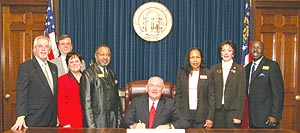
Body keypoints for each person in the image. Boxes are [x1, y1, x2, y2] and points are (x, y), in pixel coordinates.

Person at [11, 35, 58, 130]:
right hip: (35, 118)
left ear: (49, 50)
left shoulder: (54, 67)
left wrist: (56, 115)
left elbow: (52, 94)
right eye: (40, 46)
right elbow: (21, 93)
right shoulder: (26, 67)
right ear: (34, 50)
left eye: (46, 46)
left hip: (52, 118)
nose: (43, 49)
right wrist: (21, 116)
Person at [120, 76, 189, 129]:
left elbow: (184, 122)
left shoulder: (170, 103)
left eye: (158, 86)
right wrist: (134, 125)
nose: (154, 89)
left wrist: (168, 126)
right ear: (147, 88)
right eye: (151, 86)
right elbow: (125, 121)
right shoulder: (137, 101)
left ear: (163, 90)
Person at [80, 44, 122, 128]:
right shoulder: (88, 74)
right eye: (102, 54)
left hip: (112, 122)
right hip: (97, 122)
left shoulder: (111, 73)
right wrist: (91, 127)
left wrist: (119, 121)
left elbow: (117, 101)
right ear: (96, 56)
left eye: (108, 55)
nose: (105, 57)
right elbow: (86, 104)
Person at [246, 40, 284, 128]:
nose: (255, 50)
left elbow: (278, 93)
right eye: (253, 48)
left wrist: (275, 115)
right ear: (250, 50)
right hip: (252, 117)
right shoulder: (247, 68)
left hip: (267, 117)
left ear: (263, 51)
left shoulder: (272, 66)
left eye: (258, 48)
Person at [174, 48, 215, 128]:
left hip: (202, 115)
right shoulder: (181, 73)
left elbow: (211, 97)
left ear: (201, 59)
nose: (195, 60)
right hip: (184, 115)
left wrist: (210, 117)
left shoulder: (208, 73)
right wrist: (177, 114)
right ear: (188, 59)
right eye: (192, 57)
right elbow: (178, 95)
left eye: (198, 57)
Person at [211, 40, 246, 128]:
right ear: (220, 53)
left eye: (229, 50)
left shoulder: (239, 70)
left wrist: (238, 116)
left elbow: (241, 94)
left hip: (233, 111)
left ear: (233, 53)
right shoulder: (213, 69)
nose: (226, 53)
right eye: (223, 50)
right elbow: (211, 93)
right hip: (217, 111)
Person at [57, 52, 84, 128]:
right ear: (68, 66)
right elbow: (60, 103)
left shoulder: (87, 78)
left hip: (86, 121)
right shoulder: (62, 80)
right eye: (71, 62)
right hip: (70, 122)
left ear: (81, 63)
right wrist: (65, 123)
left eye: (76, 61)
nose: (74, 64)